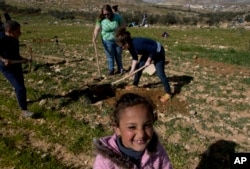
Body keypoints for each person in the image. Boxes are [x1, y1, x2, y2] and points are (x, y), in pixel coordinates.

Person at [93, 93, 173, 169]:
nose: (141, 134)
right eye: (132, 127)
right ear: (117, 129)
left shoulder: (156, 149)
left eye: (147, 125)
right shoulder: (105, 162)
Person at [115, 27, 172, 102]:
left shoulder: (138, 44)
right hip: (148, 52)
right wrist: (132, 70)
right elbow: (135, 58)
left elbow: (153, 49)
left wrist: (148, 60)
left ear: (126, 43)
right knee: (139, 67)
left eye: (121, 46)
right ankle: (135, 84)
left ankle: (168, 93)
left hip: (158, 51)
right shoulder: (130, 47)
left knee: (160, 73)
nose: (121, 48)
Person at [0, 20, 33, 118]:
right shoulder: (1, 39)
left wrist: (23, 59)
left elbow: (15, 54)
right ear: (10, 31)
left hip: (16, 64)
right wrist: (3, 59)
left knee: (21, 86)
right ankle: (24, 110)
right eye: (18, 31)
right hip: (6, 67)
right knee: (20, 88)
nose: (20, 33)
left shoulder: (14, 39)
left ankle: (21, 99)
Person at [92, 4, 126, 76]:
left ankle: (120, 69)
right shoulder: (100, 19)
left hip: (118, 39)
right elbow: (97, 29)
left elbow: (124, 25)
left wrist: (121, 33)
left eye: (108, 14)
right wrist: (94, 37)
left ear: (111, 12)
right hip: (107, 40)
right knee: (110, 55)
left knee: (118, 54)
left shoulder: (117, 17)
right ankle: (111, 69)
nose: (106, 16)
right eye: (104, 14)